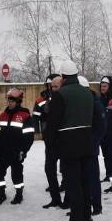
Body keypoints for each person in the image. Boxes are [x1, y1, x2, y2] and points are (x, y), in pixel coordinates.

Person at [46, 60, 97, 221]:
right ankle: (86, 214)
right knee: (84, 180)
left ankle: (75, 220)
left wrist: (51, 144)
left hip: (68, 144)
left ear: (63, 77)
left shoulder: (60, 95)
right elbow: (95, 119)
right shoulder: (88, 93)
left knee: (72, 182)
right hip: (86, 142)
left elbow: (53, 122)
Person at [0, 88, 35, 205]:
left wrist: (23, 151)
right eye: (9, 100)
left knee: (16, 174)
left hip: (16, 151)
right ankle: (1, 194)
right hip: (2, 151)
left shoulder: (25, 116)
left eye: (12, 101)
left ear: (18, 102)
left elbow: (29, 137)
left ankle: (19, 194)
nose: (9, 103)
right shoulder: (3, 115)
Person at [81, 76, 107, 216]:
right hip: (81, 148)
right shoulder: (83, 102)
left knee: (92, 179)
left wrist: (92, 143)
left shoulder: (95, 103)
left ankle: (96, 206)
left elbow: (102, 127)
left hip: (90, 149)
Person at [42, 76, 65, 209]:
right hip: (50, 141)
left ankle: (67, 199)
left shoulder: (65, 99)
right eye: (52, 86)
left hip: (63, 140)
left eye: (56, 86)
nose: (53, 89)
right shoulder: (49, 99)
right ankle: (55, 199)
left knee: (66, 170)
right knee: (49, 169)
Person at [98, 76, 112, 183]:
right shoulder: (99, 99)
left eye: (105, 86)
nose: (102, 88)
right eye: (101, 86)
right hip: (103, 132)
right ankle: (109, 174)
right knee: (106, 155)